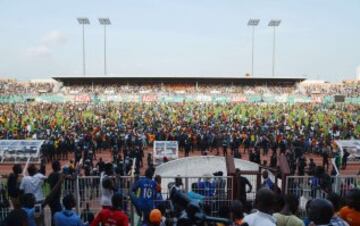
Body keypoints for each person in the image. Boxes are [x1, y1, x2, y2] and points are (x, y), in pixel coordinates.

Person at [47, 160, 63, 226]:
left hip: (51, 199)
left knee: (53, 216)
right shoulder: (58, 175)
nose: (60, 166)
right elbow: (72, 178)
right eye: (59, 165)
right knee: (57, 217)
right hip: (56, 199)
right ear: (57, 166)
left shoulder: (50, 175)